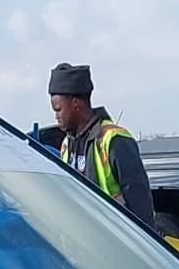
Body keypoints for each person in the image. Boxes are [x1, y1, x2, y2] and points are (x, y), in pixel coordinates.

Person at [47, 63, 154, 228]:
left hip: (118, 239)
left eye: (58, 109)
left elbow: (140, 204)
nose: (56, 116)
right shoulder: (67, 145)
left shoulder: (114, 140)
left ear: (75, 104)